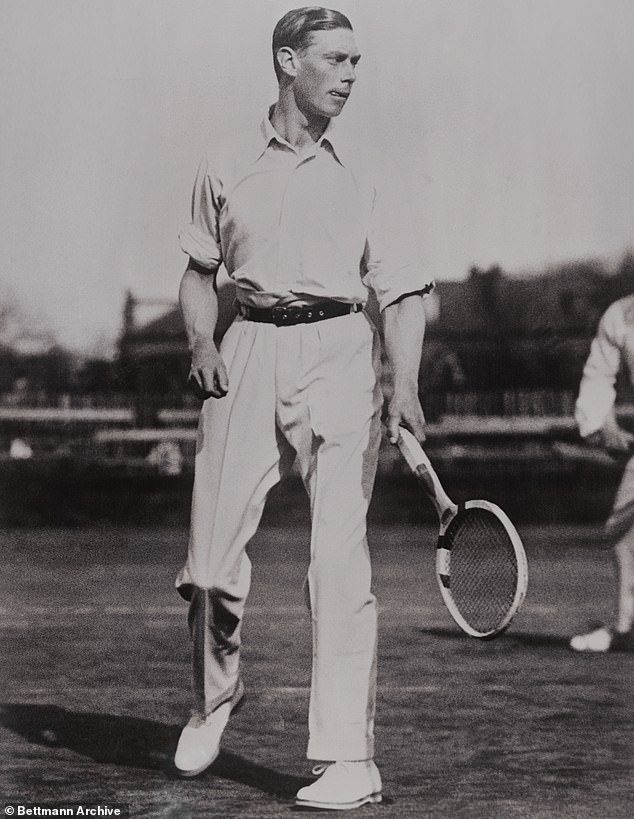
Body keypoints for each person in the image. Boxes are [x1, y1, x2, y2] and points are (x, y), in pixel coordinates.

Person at [173, 7, 434, 810]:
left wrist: (408, 383)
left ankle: (347, 759)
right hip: (246, 348)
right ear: (288, 62)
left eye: (358, 60)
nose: (352, 74)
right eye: (336, 59)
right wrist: (201, 342)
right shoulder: (223, 160)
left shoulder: (371, 166)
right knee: (210, 573)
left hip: (342, 357)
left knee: (337, 562)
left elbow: (404, 292)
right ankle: (215, 698)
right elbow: (196, 275)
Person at [571, 294, 634, 652]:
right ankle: (627, 629)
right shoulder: (621, 315)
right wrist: (604, 424)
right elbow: (598, 377)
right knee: (622, 530)